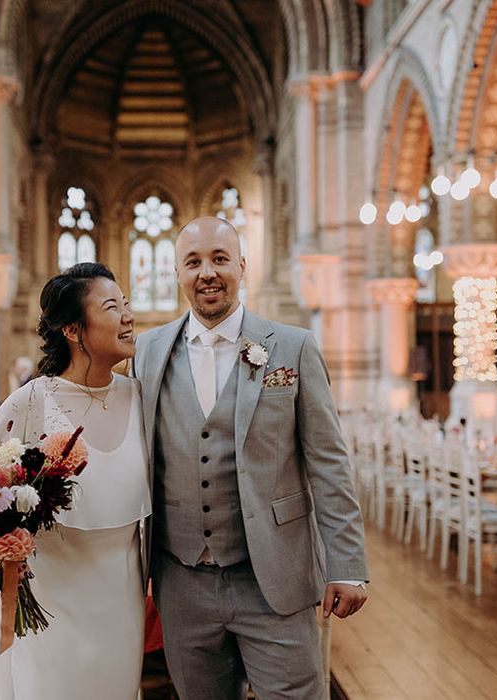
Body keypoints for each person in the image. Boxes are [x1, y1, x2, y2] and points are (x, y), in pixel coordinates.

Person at [133, 217, 368, 699]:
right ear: (177, 272)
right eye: (193, 262)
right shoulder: (147, 350)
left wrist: (347, 564)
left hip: (275, 577)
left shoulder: (293, 346)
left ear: (242, 266)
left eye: (219, 259)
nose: (207, 273)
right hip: (182, 580)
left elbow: (328, 462)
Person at [0, 262, 151, 699]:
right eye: (112, 307)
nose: (129, 316)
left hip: (121, 597)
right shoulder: (31, 402)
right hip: (50, 598)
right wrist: (1, 538)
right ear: (73, 329)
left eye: (126, 305)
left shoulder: (142, 397)